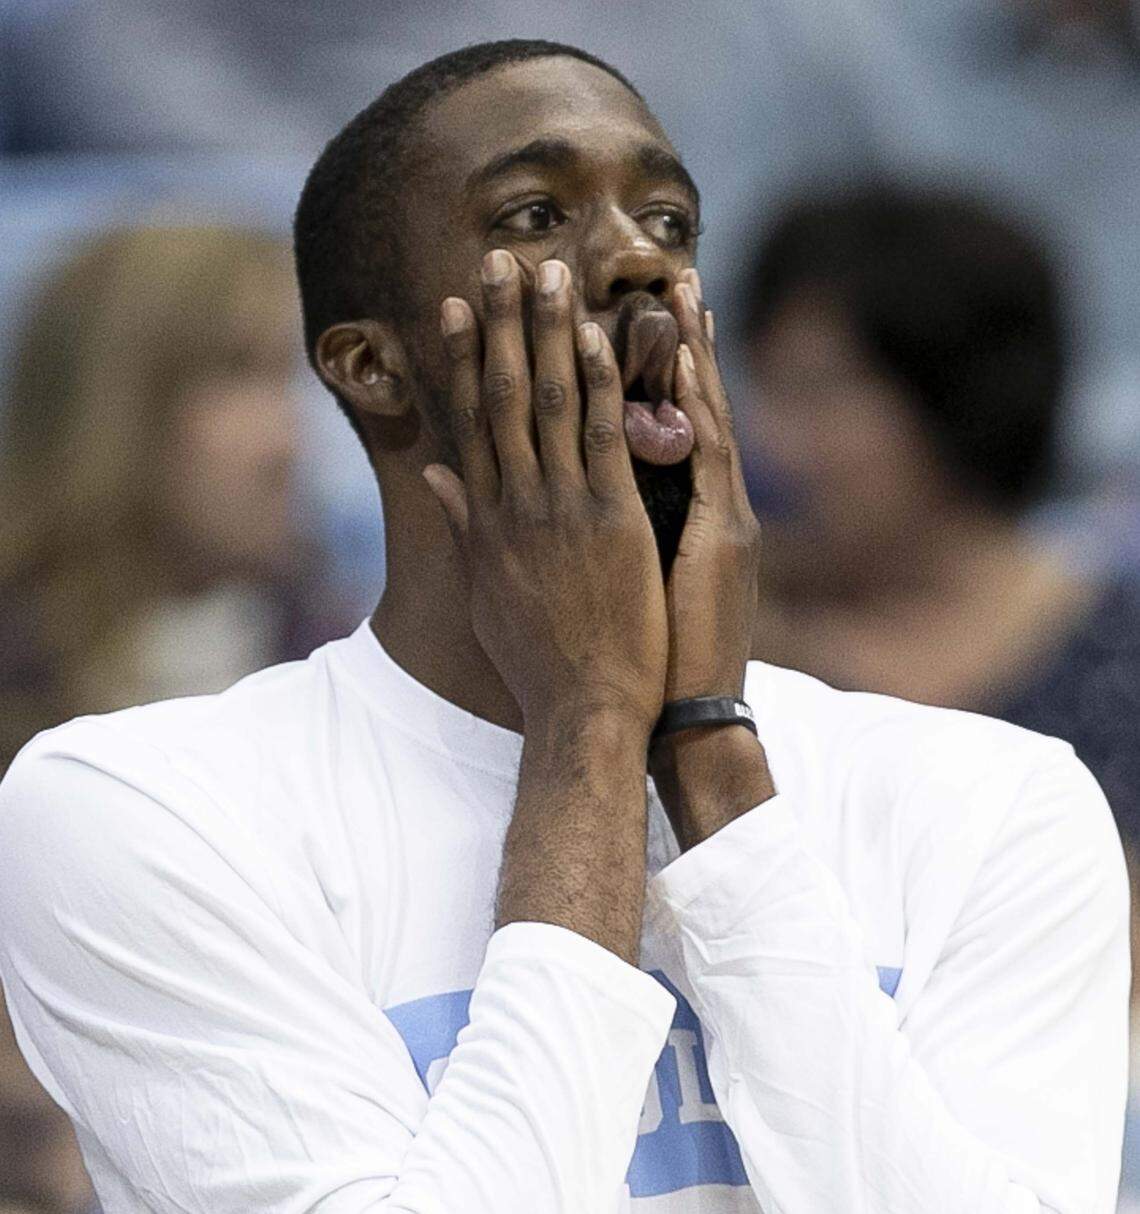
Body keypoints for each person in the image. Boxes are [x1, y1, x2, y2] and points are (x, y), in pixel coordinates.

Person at [0, 39, 1127, 1213]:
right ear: (371, 366)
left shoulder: (995, 799)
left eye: (672, 222)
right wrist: (590, 722)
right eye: (536, 215)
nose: (638, 255)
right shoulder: (140, 807)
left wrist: (709, 755)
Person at [743, 184, 1140, 849]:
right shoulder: (733, 643)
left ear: (953, 401)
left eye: (821, 393)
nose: (776, 441)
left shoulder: (1116, 660)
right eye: (767, 390)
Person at [0, 224, 341, 774]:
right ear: (111, 406)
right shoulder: (16, 682)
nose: (287, 442)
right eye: (237, 375)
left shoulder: (339, 670)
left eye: (285, 380)